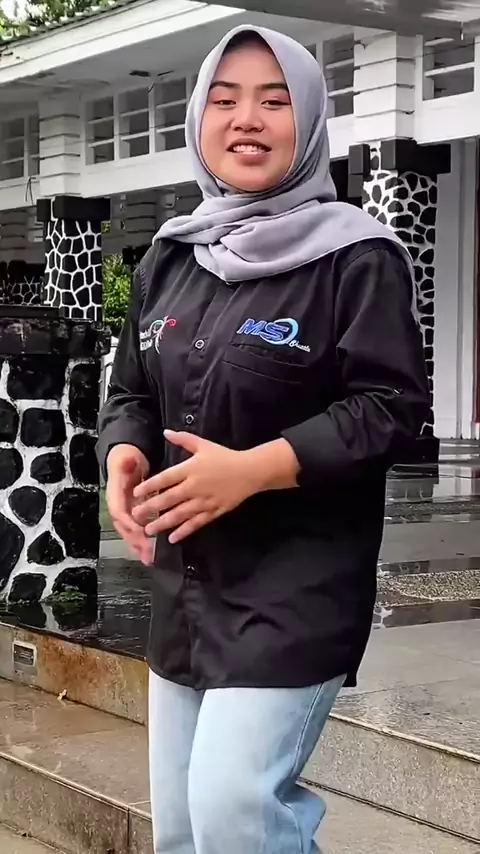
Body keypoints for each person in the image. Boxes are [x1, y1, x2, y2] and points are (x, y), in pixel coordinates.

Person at [97, 24, 430, 854]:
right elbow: (132, 388)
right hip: (185, 583)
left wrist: (254, 470)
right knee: (183, 830)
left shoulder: (357, 257)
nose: (247, 119)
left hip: (296, 585)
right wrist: (122, 451)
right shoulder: (170, 258)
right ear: (198, 119)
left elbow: (391, 407)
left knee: (236, 811)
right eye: (225, 99)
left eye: (274, 101)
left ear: (308, 120)